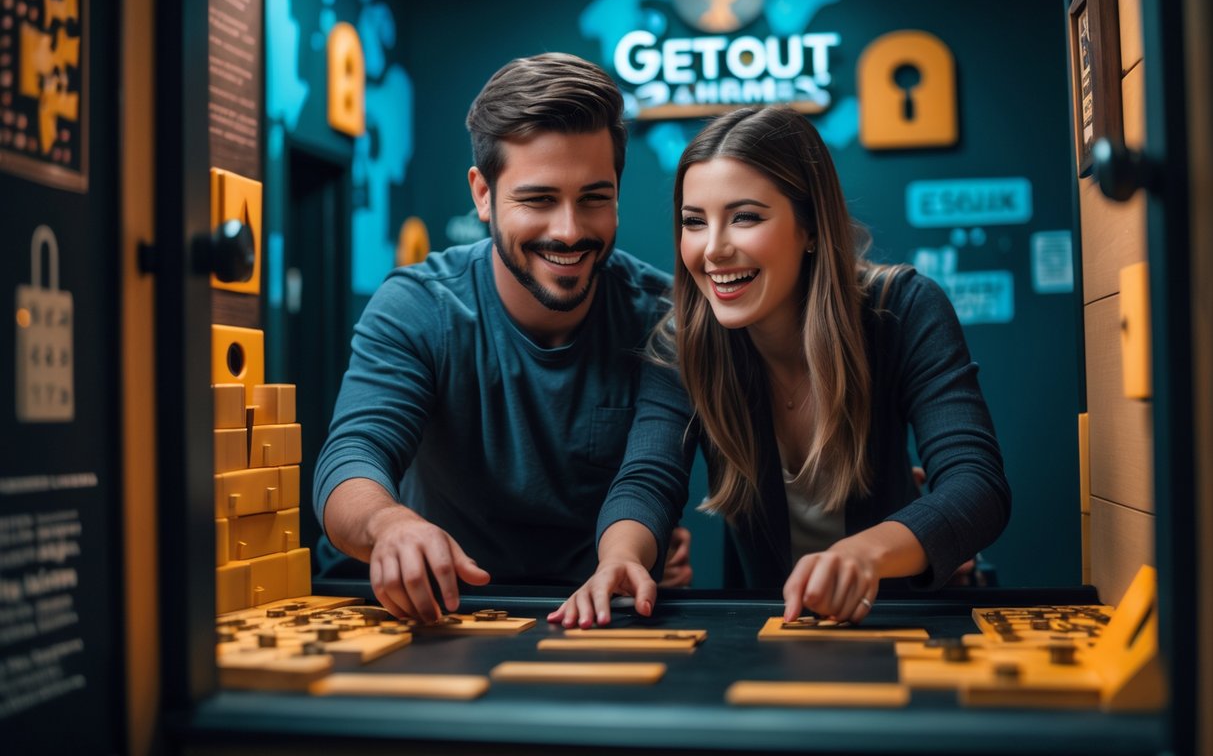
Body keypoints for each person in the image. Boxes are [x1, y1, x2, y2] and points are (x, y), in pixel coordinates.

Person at [550, 106, 1010, 628]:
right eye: (694, 222)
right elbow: (648, 477)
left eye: (745, 217)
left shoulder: (901, 309)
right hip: (768, 628)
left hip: (900, 617)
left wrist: (864, 555)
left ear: (810, 225)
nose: (714, 250)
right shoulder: (686, 339)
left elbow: (976, 485)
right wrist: (621, 559)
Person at [314, 53, 695, 623]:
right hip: (428, 609)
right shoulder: (419, 305)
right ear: (483, 194)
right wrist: (389, 525)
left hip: (584, 611)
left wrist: (626, 555)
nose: (568, 230)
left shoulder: (663, 315)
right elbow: (354, 453)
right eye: (538, 199)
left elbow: (652, 472)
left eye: (594, 198)